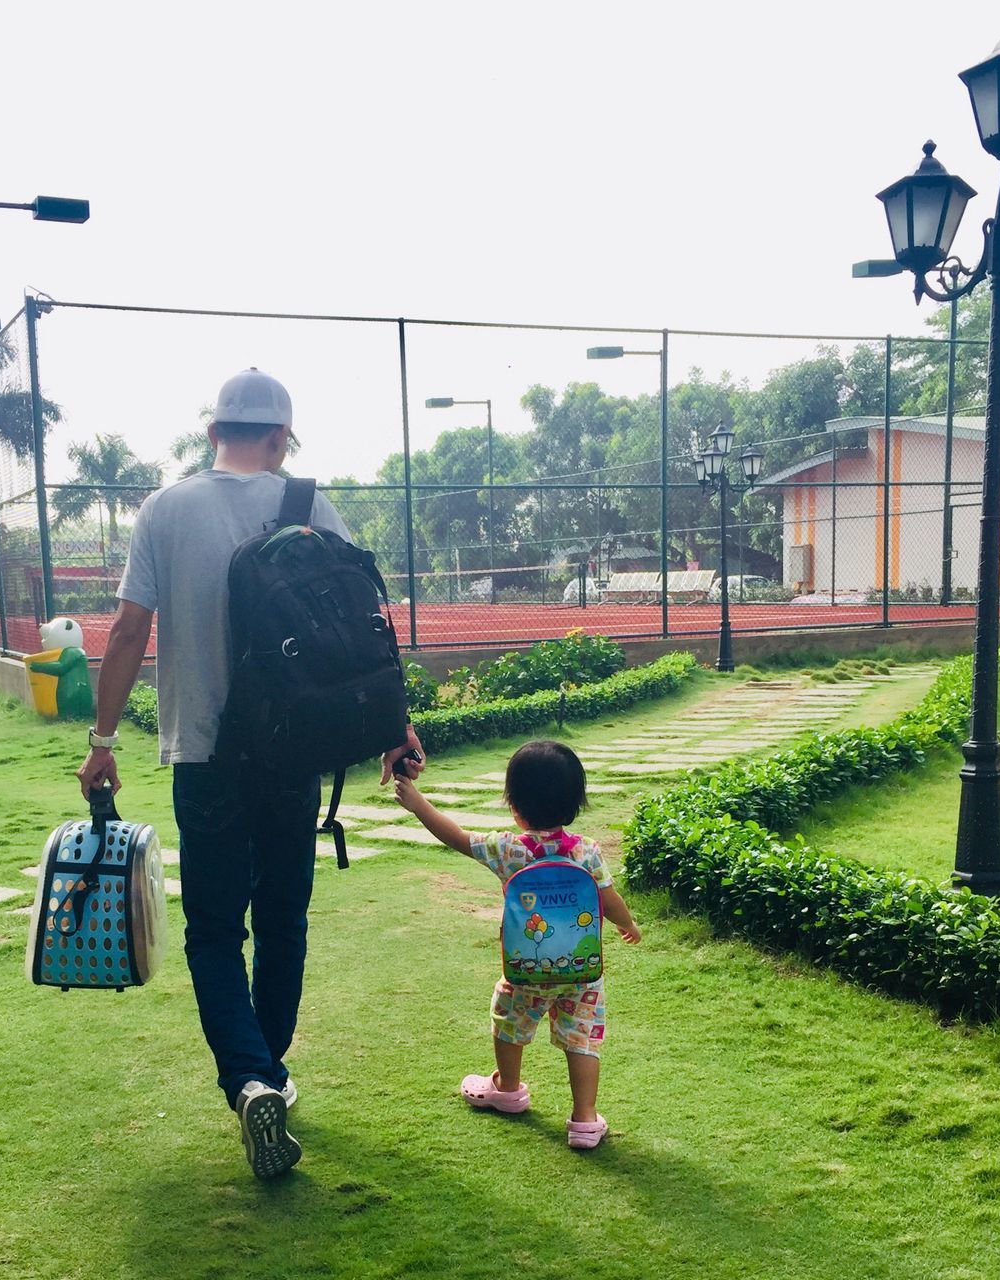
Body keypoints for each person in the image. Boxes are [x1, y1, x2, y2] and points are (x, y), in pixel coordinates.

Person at [76, 367, 425, 1180]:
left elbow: (129, 632)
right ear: (280, 439)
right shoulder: (305, 503)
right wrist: (392, 725)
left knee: (212, 931)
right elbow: (361, 629)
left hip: (204, 753)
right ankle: (270, 1067)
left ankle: (248, 1081)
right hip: (294, 751)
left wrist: (102, 741)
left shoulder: (165, 510)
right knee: (284, 920)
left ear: (212, 433)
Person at [393, 739, 639, 1149]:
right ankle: (584, 1120)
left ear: (515, 804)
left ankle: (507, 1089)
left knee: (508, 1024)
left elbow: (456, 837)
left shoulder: (508, 849)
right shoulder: (586, 852)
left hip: (525, 972)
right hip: (580, 975)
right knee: (582, 1039)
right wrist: (627, 923)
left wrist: (418, 804)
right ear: (575, 803)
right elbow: (608, 899)